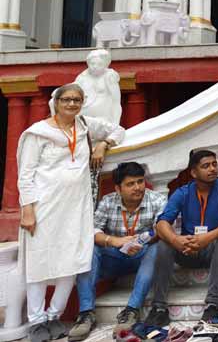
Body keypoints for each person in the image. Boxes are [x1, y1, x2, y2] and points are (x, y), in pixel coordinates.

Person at [17, 83, 124, 342]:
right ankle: (36, 321)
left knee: (73, 260)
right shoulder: (38, 133)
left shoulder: (85, 125)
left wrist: (103, 144)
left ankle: (55, 316)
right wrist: (28, 210)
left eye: (77, 99)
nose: (72, 104)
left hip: (77, 207)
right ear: (56, 102)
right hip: (44, 206)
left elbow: (118, 130)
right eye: (66, 100)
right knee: (39, 262)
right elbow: (25, 174)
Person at [147, 149, 218, 326]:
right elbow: (162, 223)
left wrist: (207, 238)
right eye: (206, 166)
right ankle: (159, 307)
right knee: (164, 244)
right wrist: (176, 240)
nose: (213, 169)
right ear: (193, 172)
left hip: (213, 251)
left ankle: (213, 304)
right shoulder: (183, 192)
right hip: (187, 249)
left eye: (214, 164)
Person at [71, 162, 165, 340]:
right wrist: (114, 241)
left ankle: (131, 311)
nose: (137, 188)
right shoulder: (108, 201)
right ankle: (86, 314)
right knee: (88, 248)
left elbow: (162, 228)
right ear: (118, 188)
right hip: (113, 256)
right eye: (130, 184)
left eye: (140, 181)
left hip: (141, 255)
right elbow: (92, 231)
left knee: (157, 247)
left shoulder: (157, 200)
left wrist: (140, 241)